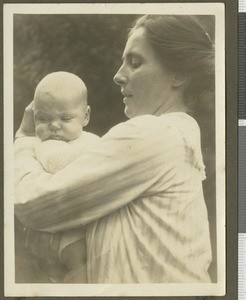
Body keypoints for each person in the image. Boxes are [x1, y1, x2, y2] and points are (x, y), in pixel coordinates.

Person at [14, 15, 215, 283]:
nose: (118, 76)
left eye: (134, 63)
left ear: (178, 73)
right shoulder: (177, 135)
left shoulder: (153, 133)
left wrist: (25, 140)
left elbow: (32, 204)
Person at [14, 71, 99, 283]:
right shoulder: (42, 146)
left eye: (65, 118)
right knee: (75, 267)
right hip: (58, 232)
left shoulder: (93, 141)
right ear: (33, 118)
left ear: (86, 116)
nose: (54, 125)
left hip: (83, 224)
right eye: (43, 119)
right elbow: (58, 163)